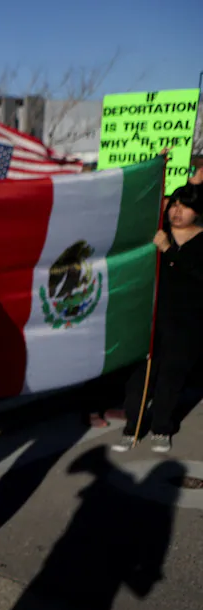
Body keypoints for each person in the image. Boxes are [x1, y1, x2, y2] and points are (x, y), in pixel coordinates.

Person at [114, 184, 203, 454]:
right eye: (174, 204)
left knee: (171, 377)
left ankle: (162, 428)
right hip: (149, 319)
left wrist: (169, 252)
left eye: (185, 206)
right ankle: (133, 426)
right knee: (141, 377)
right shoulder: (154, 234)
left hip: (186, 323)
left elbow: (197, 276)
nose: (177, 211)